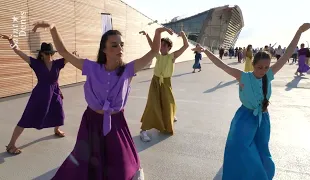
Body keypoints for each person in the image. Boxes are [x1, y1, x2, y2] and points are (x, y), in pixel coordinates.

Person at [32, 21, 173, 179]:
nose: (120, 48)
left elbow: (154, 52)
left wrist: (158, 32)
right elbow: (64, 52)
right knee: (85, 161)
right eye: (114, 45)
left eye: (121, 45)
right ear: (104, 49)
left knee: (121, 165)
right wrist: (53, 28)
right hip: (92, 122)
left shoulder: (128, 70)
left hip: (116, 122)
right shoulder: (91, 67)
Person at [192, 23, 310, 180]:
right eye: (259, 67)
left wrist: (299, 32)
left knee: (261, 149)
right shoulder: (243, 76)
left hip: (263, 118)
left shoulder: (269, 75)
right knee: (240, 147)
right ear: (253, 65)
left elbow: (286, 55)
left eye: (266, 67)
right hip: (245, 117)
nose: (263, 71)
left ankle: (259, 176)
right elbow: (222, 65)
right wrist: (206, 51)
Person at [0, 34, 66, 155]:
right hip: (40, 94)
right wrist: (11, 40)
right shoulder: (36, 63)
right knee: (27, 117)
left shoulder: (58, 63)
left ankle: (57, 130)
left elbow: (69, 56)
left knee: (58, 111)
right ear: (42, 54)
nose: (49, 55)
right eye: (47, 53)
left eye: (51, 53)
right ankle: (11, 145)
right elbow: (19, 52)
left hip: (55, 92)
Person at [139, 30, 189, 142]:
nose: (161, 47)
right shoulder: (157, 55)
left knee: (168, 102)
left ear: (169, 47)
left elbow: (186, 46)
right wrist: (147, 35)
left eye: (164, 45)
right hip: (155, 82)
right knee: (152, 104)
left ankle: (171, 114)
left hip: (166, 82)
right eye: (160, 45)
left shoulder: (172, 56)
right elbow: (153, 46)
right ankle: (144, 130)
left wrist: (183, 35)